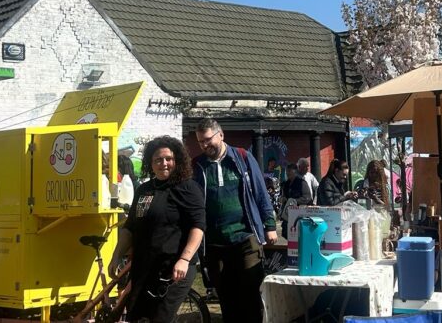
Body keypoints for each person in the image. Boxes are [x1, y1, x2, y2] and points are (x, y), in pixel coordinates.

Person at [108, 136, 205, 322]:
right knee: (136, 316)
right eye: (158, 160)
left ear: (177, 160)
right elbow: (130, 228)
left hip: (174, 270)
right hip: (144, 267)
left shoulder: (187, 188)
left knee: (160, 318)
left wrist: (185, 259)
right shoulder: (144, 190)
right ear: (150, 163)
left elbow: (198, 226)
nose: (164, 164)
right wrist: (116, 255)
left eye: (169, 159)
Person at [192, 119, 276, 323]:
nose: (205, 145)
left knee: (250, 294)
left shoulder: (243, 157)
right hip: (214, 243)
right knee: (226, 297)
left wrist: (270, 225)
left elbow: (260, 192)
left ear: (221, 135)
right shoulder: (197, 165)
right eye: (201, 142)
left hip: (245, 238)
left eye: (208, 139)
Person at [280, 163, 313, 239]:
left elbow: (307, 198)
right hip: (288, 213)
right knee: (286, 232)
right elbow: (285, 196)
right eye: (287, 172)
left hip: (299, 212)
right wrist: (283, 198)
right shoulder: (286, 184)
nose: (288, 174)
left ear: (295, 172)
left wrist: (294, 201)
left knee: (297, 234)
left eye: (290, 172)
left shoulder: (302, 183)